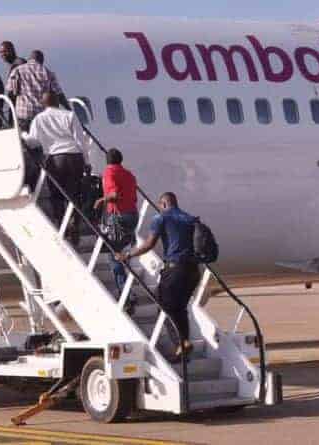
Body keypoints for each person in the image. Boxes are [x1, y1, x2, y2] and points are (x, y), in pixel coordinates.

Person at [120, 192, 199, 360]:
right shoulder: (189, 218)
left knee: (163, 305)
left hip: (175, 269)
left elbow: (149, 244)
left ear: (163, 204)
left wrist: (128, 254)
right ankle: (183, 347)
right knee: (180, 308)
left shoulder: (161, 218)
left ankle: (181, 342)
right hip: (193, 271)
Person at [22, 91, 90, 245]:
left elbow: (33, 142)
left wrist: (24, 135)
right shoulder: (70, 115)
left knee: (57, 195)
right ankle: (75, 224)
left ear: (43, 103)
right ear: (58, 102)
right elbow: (81, 140)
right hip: (74, 157)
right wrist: (86, 161)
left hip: (55, 159)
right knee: (75, 194)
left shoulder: (39, 119)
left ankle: (62, 226)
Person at [94, 149, 139, 297]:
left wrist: (101, 200)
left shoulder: (109, 172)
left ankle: (126, 293)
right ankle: (127, 288)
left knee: (113, 254)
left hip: (119, 217)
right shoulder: (129, 174)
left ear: (107, 161)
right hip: (133, 216)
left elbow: (114, 194)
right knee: (121, 252)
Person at [7, 50, 71, 132]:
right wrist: (69, 109)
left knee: (24, 138)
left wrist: (11, 117)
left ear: (29, 59)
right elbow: (59, 94)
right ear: (41, 60)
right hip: (41, 117)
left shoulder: (17, 70)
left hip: (23, 116)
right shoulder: (48, 72)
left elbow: (11, 92)